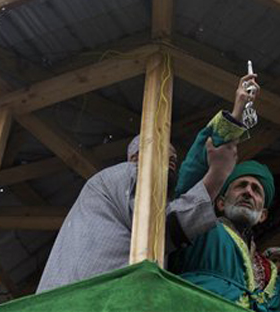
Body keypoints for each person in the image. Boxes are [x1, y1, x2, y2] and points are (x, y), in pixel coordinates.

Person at [168, 76, 280, 311]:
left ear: (262, 215)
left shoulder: (267, 268)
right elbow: (194, 172)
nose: (248, 192)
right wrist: (237, 112)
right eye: (240, 185)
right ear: (220, 202)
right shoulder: (200, 228)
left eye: (256, 190)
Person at [35, 113, 243, 293]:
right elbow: (158, 230)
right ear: (137, 156)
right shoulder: (128, 173)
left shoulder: (98, 189)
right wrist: (218, 173)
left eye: (174, 160)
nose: (172, 162)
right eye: (165, 155)